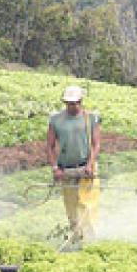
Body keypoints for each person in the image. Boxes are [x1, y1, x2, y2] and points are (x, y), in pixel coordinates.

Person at [46, 85, 101, 242]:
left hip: (85, 167)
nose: (72, 106)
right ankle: (77, 238)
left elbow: (96, 144)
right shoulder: (56, 120)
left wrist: (90, 164)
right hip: (66, 169)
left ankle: (90, 240)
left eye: (75, 103)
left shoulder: (90, 118)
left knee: (87, 205)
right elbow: (49, 146)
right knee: (71, 208)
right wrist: (55, 168)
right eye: (69, 103)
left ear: (80, 101)